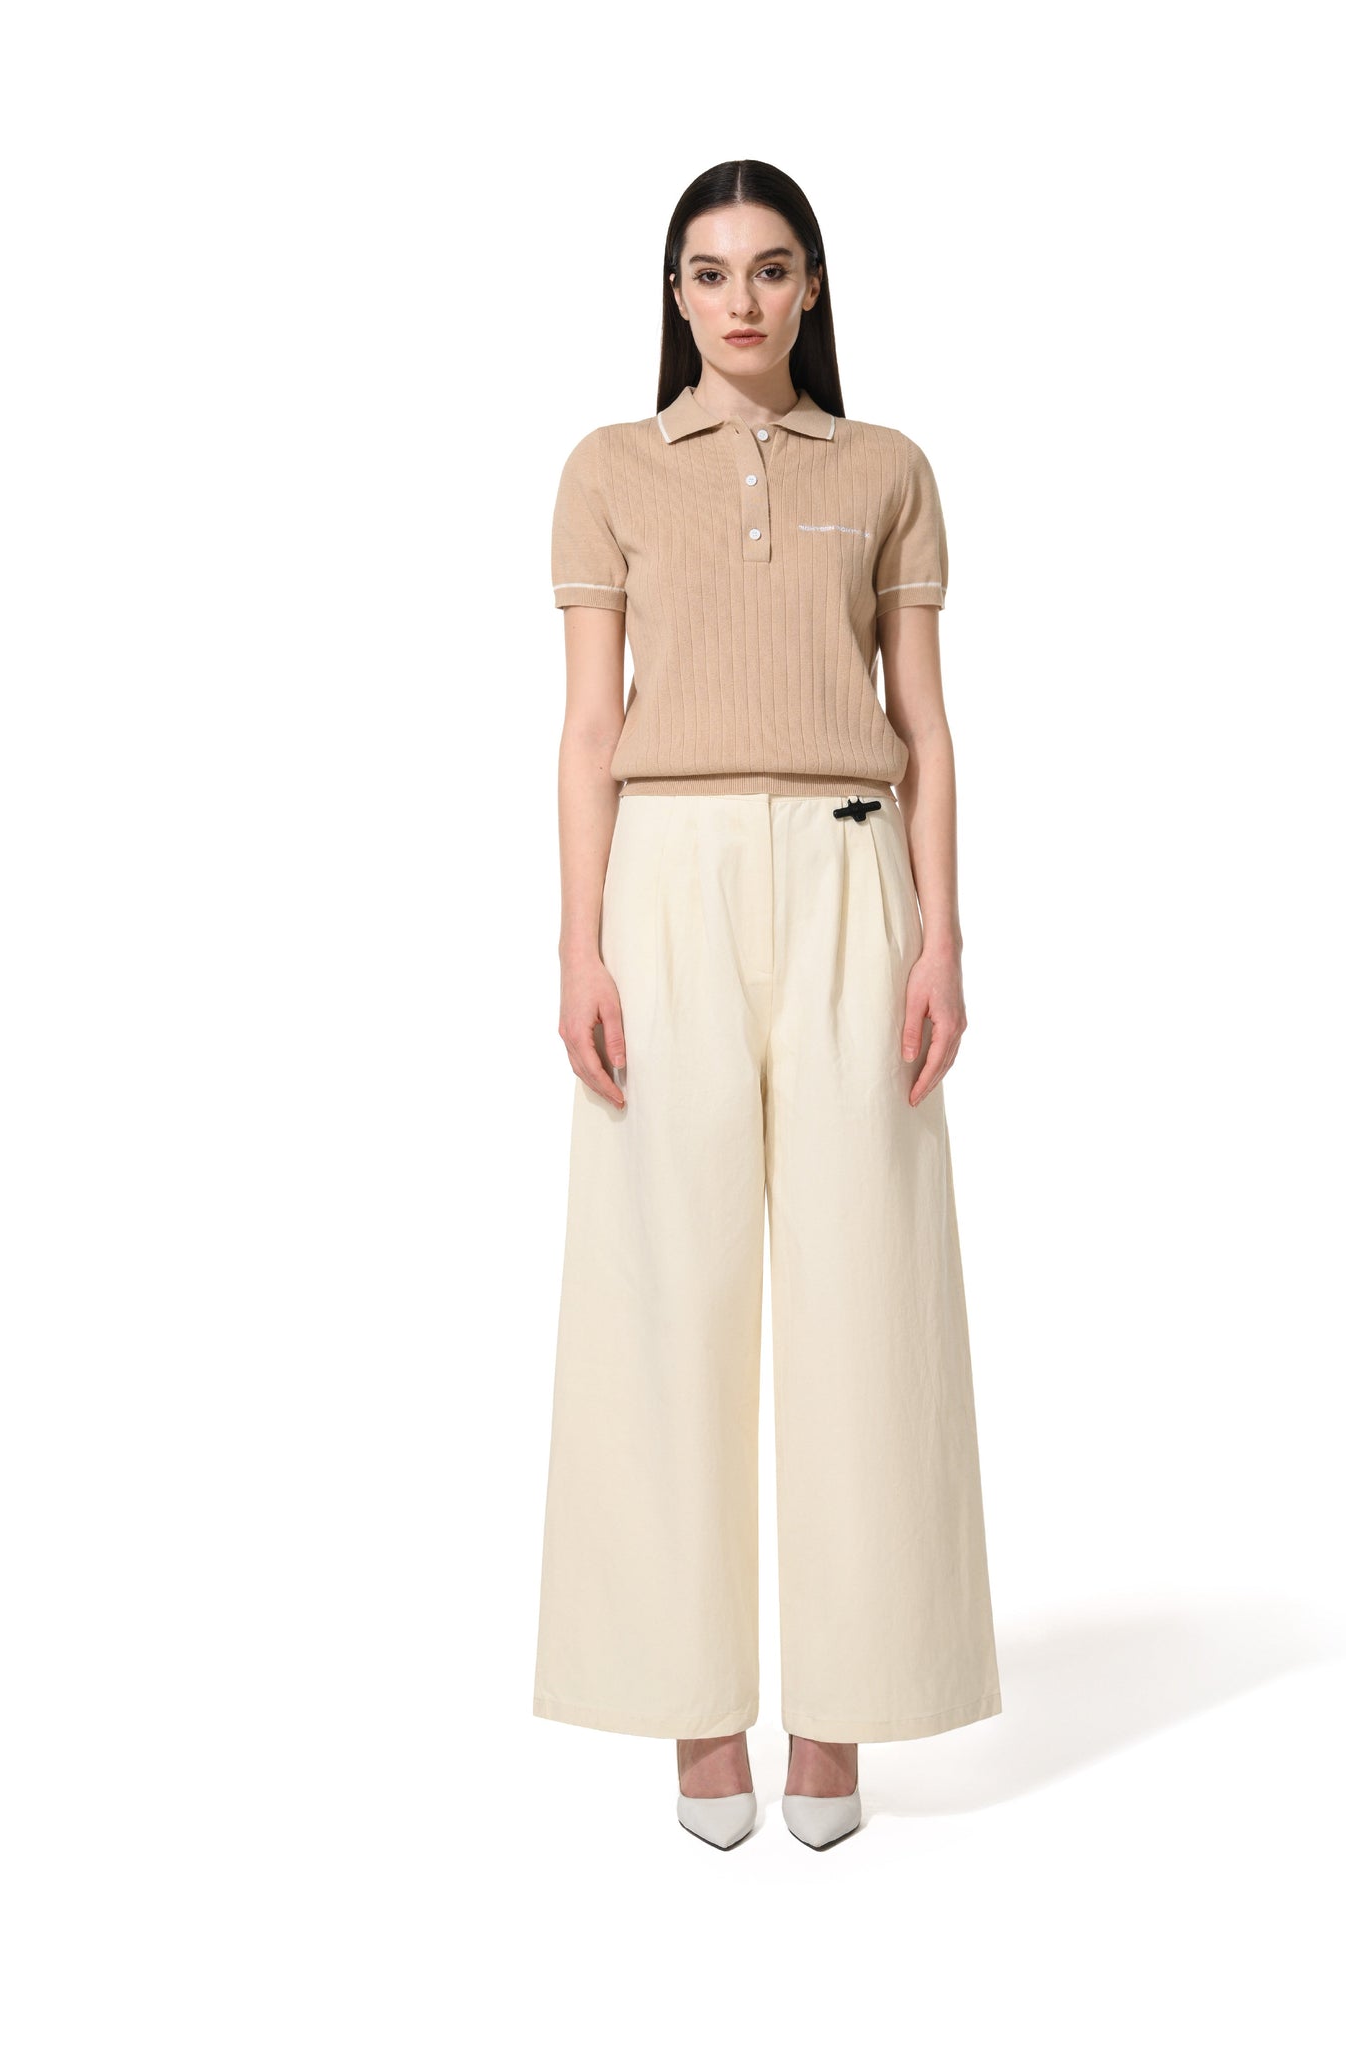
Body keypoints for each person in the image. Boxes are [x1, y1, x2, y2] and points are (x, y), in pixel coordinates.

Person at [531, 159, 1001, 1852]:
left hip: (852, 869)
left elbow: (925, 723)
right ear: (675, 293)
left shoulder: (887, 470)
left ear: (813, 290)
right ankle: (693, 1714)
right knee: (666, 1288)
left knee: (869, 1290)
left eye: (772, 267)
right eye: (711, 270)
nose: (741, 299)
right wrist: (579, 948)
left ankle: (844, 1715)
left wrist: (943, 941)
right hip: (664, 879)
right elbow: (591, 729)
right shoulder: (609, 470)